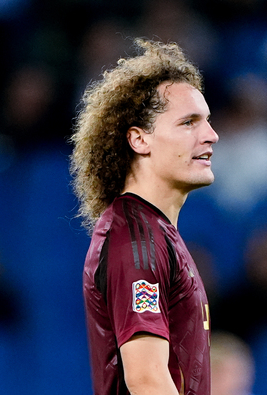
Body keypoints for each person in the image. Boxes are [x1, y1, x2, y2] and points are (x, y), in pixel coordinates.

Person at [70, 39, 219, 395]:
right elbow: (146, 380)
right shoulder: (136, 238)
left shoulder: (152, 232)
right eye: (188, 122)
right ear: (139, 139)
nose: (211, 135)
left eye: (208, 122)